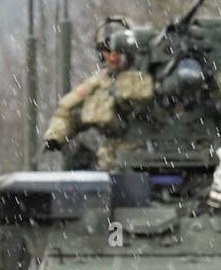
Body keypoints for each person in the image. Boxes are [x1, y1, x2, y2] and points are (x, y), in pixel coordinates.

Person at [43, 20, 152, 168]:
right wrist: (56, 135)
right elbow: (66, 111)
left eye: (119, 50)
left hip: (152, 156)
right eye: (107, 51)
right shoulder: (97, 83)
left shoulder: (149, 76)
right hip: (112, 162)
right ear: (101, 54)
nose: (113, 57)